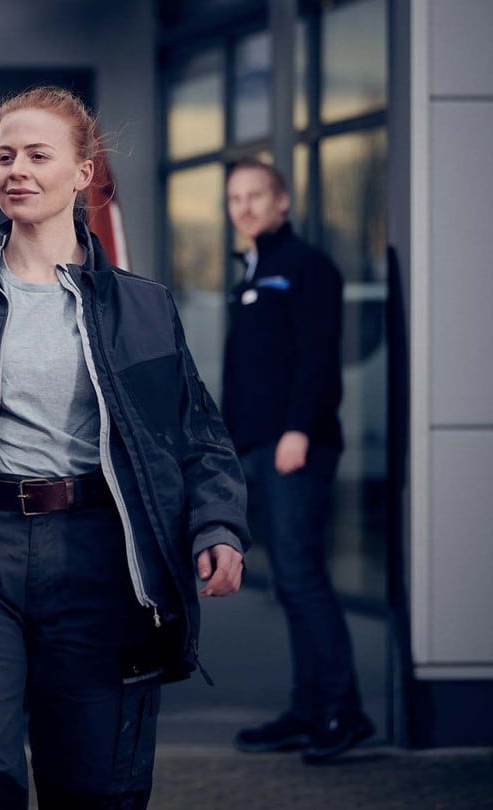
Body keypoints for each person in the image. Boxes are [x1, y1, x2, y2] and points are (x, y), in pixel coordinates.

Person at [0, 86, 249, 809]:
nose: (17, 170)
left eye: (38, 155)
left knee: (97, 790)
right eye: (4, 156)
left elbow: (198, 437)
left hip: (101, 562)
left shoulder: (144, 307)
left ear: (82, 172)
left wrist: (219, 525)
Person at [223, 158, 374, 763]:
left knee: (303, 577)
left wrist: (297, 430)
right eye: (236, 198)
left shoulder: (307, 267)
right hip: (257, 447)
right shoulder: (250, 273)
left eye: (257, 195)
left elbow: (317, 359)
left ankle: (344, 711)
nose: (246, 206)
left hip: (296, 446)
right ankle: (308, 708)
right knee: (287, 581)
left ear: (282, 201)